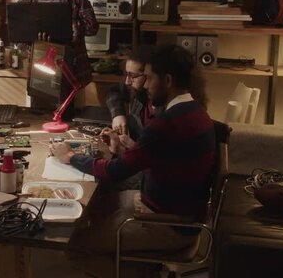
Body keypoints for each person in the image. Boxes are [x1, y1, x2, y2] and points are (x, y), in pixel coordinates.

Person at [49, 45, 216, 278]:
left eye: (148, 79)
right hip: (171, 209)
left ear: (167, 80)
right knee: (90, 210)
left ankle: (143, 273)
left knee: (76, 247)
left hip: (168, 224)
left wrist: (70, 156)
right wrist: (130, 149)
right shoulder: (196, 111)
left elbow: (115, 172)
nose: (145, 85)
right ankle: (138, 266)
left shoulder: (165, 123)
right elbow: (164, 158)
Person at [18, 0, 98, 86]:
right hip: (41, 64)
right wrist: (35, 45)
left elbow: (93, 28)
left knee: (69, 104)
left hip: (71, 64)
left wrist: (75, 27)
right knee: (40, 102)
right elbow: (18, 38)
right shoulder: (25, 2)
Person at [105, 46, 157, 141]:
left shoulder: (163, 109)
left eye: (133, 76)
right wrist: (117, 115)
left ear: (149, 74)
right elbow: (113, 90)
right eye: (127, 74)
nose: (127, 82)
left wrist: (130, 147)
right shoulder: (137, 91)